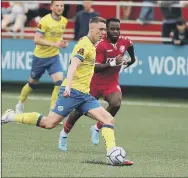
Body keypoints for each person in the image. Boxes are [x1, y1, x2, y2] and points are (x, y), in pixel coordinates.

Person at [2, 16, 132, 166]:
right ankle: (11, 116)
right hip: (72, 92)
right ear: (92, 28)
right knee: (48, 123)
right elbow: (73, 65)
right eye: (101, 29)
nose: (104, 32)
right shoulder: (84, 45)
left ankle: (113, 154)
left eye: (104, 29)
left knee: (108, 119)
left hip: (84, 95)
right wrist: (68, 86)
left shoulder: (93, 45)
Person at [59, 18, 136, 153]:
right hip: (93, 83)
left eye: (117, 29)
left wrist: (132, 59)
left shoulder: (124, 41)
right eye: (112, 29)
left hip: (111, 83)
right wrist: (113, 63)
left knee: (116, 103)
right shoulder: (100, 45)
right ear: (106, 30)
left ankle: (96, 128)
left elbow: (130, 45)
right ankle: (64, 133)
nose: (115, 32)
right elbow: (96, 67)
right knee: (78, 112)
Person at [15, 1, 68, 114]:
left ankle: (52, 111)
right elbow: (36, 39)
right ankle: (20, 103)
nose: (59, 8)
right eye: (57, 5)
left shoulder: (64, 21)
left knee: (59, 82)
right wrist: (54, 44)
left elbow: (58, 37)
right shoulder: (45, 21)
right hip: (40, 57)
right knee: (32, 84)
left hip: (54, 56)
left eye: (61, 6)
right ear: (51, 7)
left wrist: (62, 43)